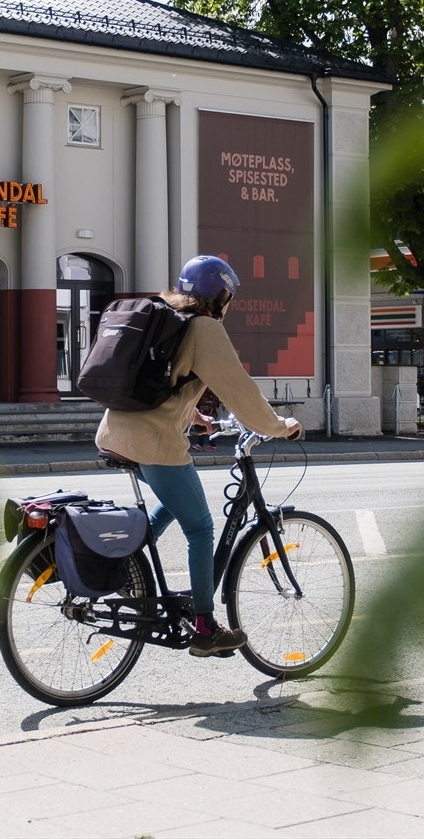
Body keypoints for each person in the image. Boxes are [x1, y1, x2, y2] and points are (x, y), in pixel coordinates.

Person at [94, 255, 303, 657]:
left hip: (114, 433)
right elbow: (240, 391)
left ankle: (127, 566)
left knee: (176, 503)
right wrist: (279, 425)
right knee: (201, 528)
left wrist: (194, 415)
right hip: (151, 440)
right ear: (221, 296)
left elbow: (156, 380)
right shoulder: (204, 327)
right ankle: (205, 628)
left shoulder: (166, 315)